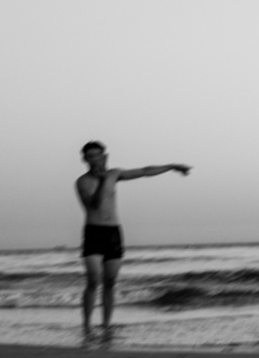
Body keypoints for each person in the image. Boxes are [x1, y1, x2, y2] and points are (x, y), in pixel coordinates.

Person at [74, 141, 191, 334]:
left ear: (104, 156)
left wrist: (172, 166)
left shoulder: (114, 174)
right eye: (90, 156)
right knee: (93, 280)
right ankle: (86, 325)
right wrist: (102, 181)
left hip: (113, 232)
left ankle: (106, 325)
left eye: (97, 155)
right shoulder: (82, 182)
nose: (94, 159)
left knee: (110, 282)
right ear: (84, 159)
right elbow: (94, 205)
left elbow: (145, 171)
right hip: (93, 232)